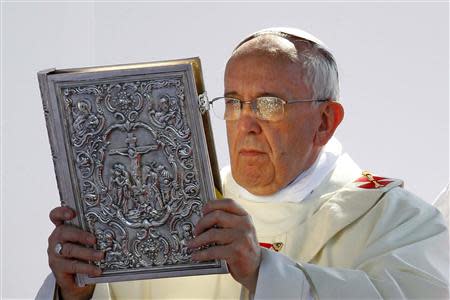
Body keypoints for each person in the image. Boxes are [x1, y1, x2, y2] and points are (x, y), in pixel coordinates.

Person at [38, 27, 449, 299]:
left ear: (325, 121)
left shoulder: (397, 220)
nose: (245, 125)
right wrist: (75, 289)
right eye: (233, 103)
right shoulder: (179, 211)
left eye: (269, 104)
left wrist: (263, 274)